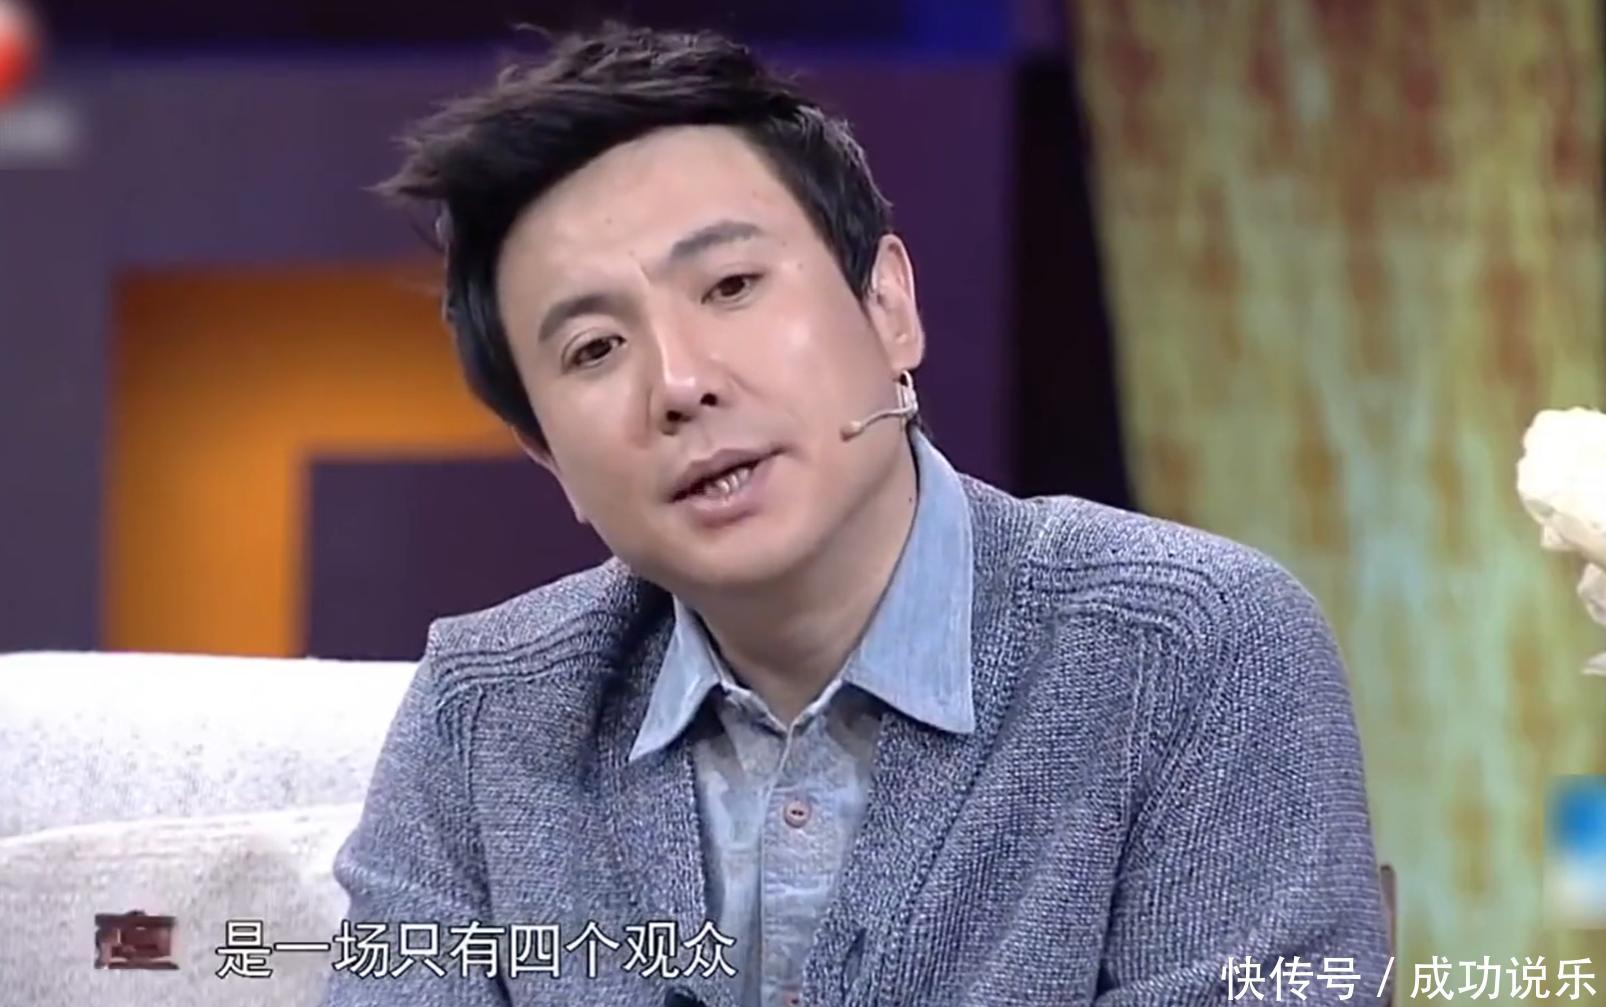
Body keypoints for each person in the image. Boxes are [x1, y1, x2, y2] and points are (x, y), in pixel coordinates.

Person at [323, 23, 1391, 1007]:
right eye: (594, 348)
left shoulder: (1192, 645)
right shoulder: (484, 713)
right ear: (549, 456)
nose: (680, 383)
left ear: (888, 306)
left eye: (732, 285)